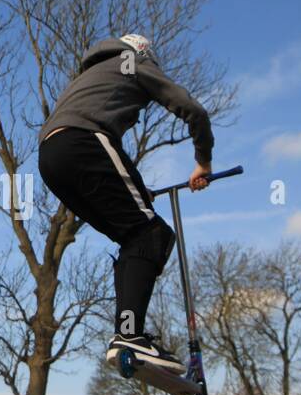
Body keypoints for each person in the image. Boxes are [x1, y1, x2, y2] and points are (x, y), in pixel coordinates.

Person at [38, 33, 213, 373]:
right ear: (143, 53)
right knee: (152, 236)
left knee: (134, 236)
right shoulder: (133, 62)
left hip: (50, 159)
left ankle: (127, 333)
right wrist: (203, 161)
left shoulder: (87, 78)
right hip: (85, 141)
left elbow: (101, 152)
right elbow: (194, 110)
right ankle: (130, 334)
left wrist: (138, 188)